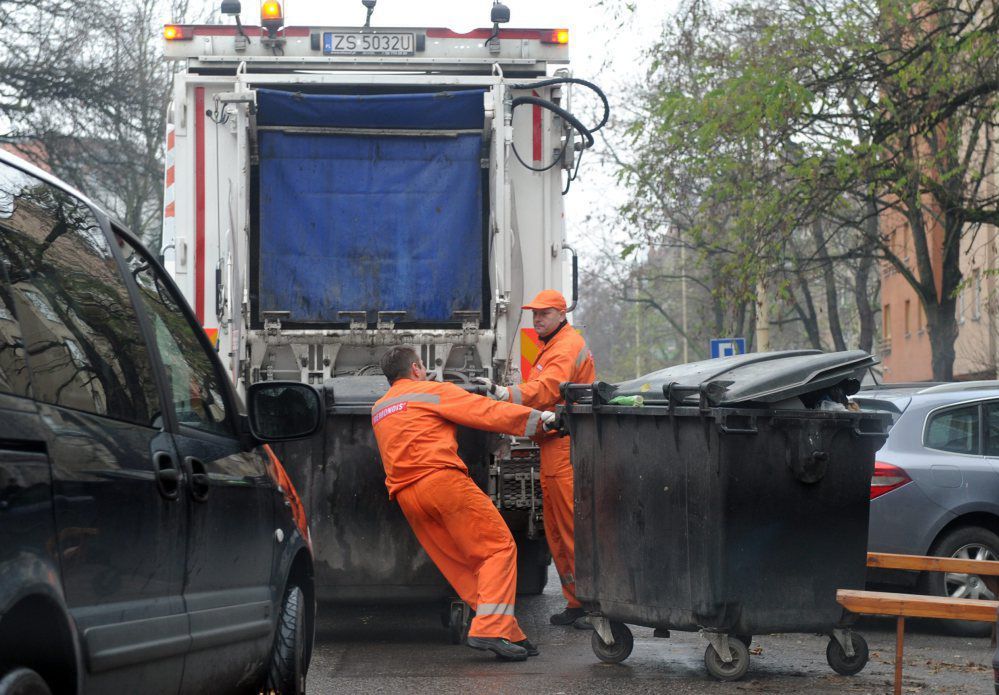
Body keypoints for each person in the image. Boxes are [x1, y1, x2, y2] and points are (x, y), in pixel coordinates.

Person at [371, 345, 555, 662]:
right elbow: (484, 412)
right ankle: (489, 629)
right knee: (498, 548)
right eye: (423, 368)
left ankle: (507, 633)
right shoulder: (429, 392)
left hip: (406, 495)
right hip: (441, 483)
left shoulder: (380, 407)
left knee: (464, 565)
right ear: (415, 368)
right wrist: (541, 421)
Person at [474, 289, 596, 628]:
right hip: (553, 447)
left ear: (560, 314)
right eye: (533, 314)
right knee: (556, 530)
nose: (536, 319)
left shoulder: (566, 346)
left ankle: (592, 605)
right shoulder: (551, 346)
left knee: (571, 529)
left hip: (566, 447)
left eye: (543, 314)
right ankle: (577, 603)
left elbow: (547, 389)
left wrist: (504, 394)